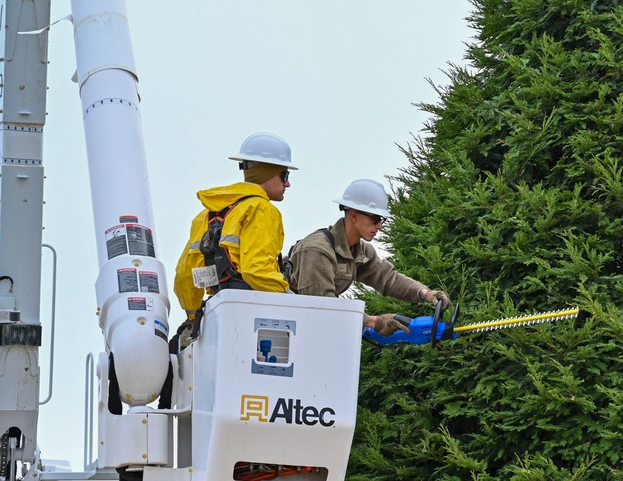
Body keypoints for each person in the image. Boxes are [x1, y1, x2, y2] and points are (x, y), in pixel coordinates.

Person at [286, 178, 450, 336]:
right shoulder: (316, 250)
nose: (379, 225)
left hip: (307, 325)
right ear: (354, 215)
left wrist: (425, 293)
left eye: (382, 219)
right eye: (375, 219)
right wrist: (373, 322)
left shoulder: (359, 250)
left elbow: (387, 279)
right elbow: (322, 304)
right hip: (284, 323)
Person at [174, 132, 296, 331]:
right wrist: (290, 301)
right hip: (252, 312)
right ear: (266, 173)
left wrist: (192, 317)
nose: (287, 183)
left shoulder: (207, 214)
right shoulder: (261, 209)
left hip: (217, 311)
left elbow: (185, 275)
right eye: (284, 175)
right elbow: (256, 270)